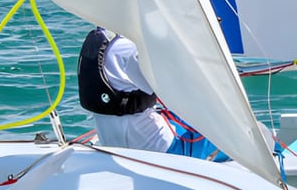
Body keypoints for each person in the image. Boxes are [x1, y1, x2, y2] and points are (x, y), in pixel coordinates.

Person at [77, 27, 230, 160]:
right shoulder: (129, 49)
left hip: (112, 142)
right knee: (230, 131)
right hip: (159, 151)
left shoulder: (97, 40)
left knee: (177, 117)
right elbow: (176, 92)